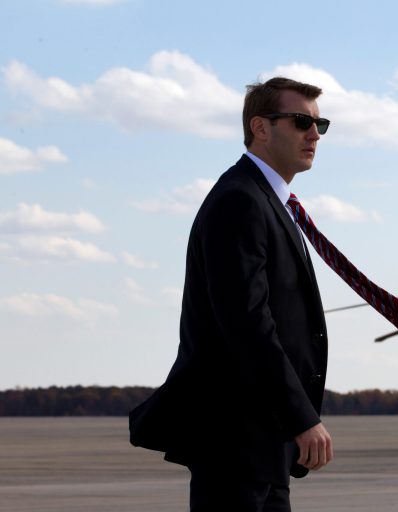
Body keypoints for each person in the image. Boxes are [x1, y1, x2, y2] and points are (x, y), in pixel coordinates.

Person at [131, 77, 333, 511]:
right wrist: (301, 417)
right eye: (301, 122)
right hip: (235, 438)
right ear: (260, 128)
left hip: (263, 442)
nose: (314, 134)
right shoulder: (239, 201)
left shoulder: (267, 202)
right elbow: (248, 325)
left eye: (320, 124)